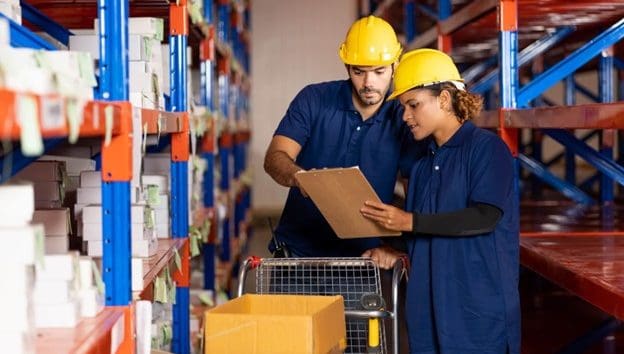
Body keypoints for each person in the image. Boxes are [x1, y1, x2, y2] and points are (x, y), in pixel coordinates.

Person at [360, 48, 520, 354]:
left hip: (477, 314)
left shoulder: (487, 150)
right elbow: (428, 233)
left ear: (444, 99)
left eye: (413, 105)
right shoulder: (421, 166)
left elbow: (484, 217)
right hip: (429, 313)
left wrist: (409, 221)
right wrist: (396, 252)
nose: (405, 116)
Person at [264, 16, 421, 268]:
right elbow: (275, 157)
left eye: (379, 72)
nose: (369, 83)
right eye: (359, 72)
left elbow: (416, 190)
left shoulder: (404, 117)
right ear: (347, 66)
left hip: (364, 260)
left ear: (395, 65)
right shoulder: (314, 99)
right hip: (298, 254)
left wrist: (400, 249)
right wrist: (302, 178)